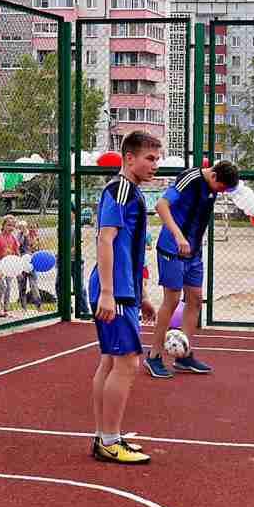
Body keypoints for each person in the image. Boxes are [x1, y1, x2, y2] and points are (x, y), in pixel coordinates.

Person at [89, 130, 161, 464]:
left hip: (124, 290)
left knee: (110, 361)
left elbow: (129, 250)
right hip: (113, 291)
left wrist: (142, 293)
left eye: (157, 159)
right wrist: (107, 292)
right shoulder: (118, 190)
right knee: (128, 362)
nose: (155, 165)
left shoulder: (133, 194)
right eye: (149, 158)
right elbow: (106, 240)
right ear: (129, 157)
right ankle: (109, 441)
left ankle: (106, 437)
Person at [145, 160, 240, 378]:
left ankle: (183, 355)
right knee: (172, 300)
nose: (222, 193)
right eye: (222, 188)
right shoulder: (190, 179)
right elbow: (161, 205)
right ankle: (154, 356)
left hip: (194, 252)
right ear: (214, 176)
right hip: (172, 249)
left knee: (196, 299)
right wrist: (179, 236)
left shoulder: (214, 186)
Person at [0, 215, 19, 318]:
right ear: (3, 225)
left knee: (9, 287)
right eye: (8, 225)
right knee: (3, 286)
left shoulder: (13, 239)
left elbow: (16, 253)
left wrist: (18, 266)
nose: (11, 228)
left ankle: (6, 308)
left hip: (10, 267)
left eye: (13, 226)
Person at [17, 219, 43, 311]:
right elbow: (18, 245)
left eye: (34, 227)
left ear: (37, 229)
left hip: (32, 265)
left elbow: (38, 251)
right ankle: (23, 307)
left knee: (34, 285)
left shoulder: (37, 238)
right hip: (22, 263)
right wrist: (24, 235)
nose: (32, 229)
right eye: (30, 227)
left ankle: (38, 305)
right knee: (22, 286)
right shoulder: (22, 235)